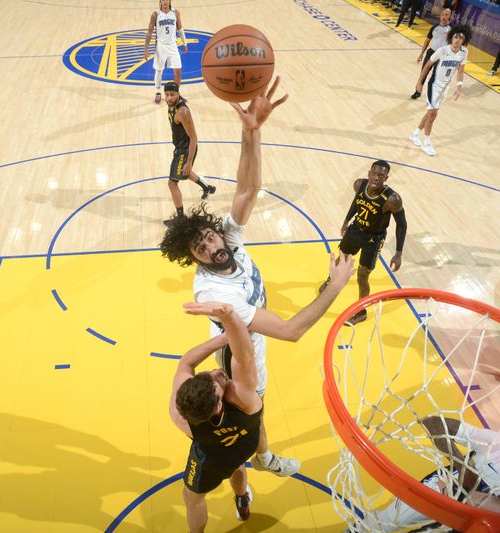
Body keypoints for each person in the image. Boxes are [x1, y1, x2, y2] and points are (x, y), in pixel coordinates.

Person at [160, 77, 357, 477]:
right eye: (199, 249)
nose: (210, 247)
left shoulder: (226, 241)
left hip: (247, 336)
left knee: (250, 413)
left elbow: (248, 189)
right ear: (195, 258)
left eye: (209, 237)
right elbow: (289, 331)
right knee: (252, 409)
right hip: (242, 354)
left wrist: (252, 132)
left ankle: (252, 463)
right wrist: (334, 287)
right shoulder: (214, 287)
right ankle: (261, 460)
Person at [352, 416, 500, 532]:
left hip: (472, 521)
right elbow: (433, 423)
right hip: (441, 490)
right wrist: (462, 466)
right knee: (382, 522)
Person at [170, 301, 262, 530]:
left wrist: (223, 338)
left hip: (212, 459)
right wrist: (229, 328)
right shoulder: (244, 400)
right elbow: (244, 357)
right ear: (219, 405)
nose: (217, 372)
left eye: (209, 375)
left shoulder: (179, 415)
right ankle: (242, 499)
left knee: (192, 497)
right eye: (218, 380)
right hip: (246, 443)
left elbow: (186, 363)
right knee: (238, 466)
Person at [319, 160, 406, 325]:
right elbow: (356, 202)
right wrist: (346, 221)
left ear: (386, 178)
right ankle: (331, 282)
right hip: (356, 229)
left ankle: (361, 312)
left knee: (362, 276)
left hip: (374, 239)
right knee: (341, 259)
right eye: (374, 173)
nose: (377, 178)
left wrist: (398, 253)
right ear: (369, 173)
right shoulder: (360, 184)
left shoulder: (392, 200)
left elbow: (402, 224)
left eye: (381, 175)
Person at [409, 24, 471, 156]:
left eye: (460, 38)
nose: (457, 40)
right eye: (455, 37)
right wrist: (419, 82)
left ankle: (415, 133)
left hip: (445, 87)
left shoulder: (464, 52)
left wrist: (459, 85)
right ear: (451, 38)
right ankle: (426, 143)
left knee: (431, 112)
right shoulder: (443, 50)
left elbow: (461, 70)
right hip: (434, 85)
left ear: (463, 41)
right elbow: (428, 65)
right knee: (433, 114)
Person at [162, 81, 215, 224]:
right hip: (180, 147)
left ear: (178, 94)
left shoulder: (182, 112)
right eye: (166, 94)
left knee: (172, 183)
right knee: (184, 171)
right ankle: (207, 188)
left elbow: (194, 138)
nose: (168, 98)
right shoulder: (172, 105)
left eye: (172, 94)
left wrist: (189, 161)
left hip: (185, 149)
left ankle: (180, 219)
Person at [144, 0, 187, 105]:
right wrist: (146, 48)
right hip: (161, 46)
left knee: (178, 71)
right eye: (163, 0)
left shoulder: (175, 12)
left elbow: (180, 29)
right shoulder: (155, 14)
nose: (165, 1)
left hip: (173, 45)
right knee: (159, 70)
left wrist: (184, 43)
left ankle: (176, 94)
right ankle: (158, 91)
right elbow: (149, 32)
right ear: (160, 1)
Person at [411, 8, 452, 99]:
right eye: (443, 14)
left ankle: (432, 95)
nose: (444, 16)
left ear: (450, 16)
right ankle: (418, 91)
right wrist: (421, 54)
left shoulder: (452, 29)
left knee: (435, 76)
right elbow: (427, 40)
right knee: (423, 73)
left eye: (446, 15)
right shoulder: (435, 27)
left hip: (442, 55)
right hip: (431, 52)